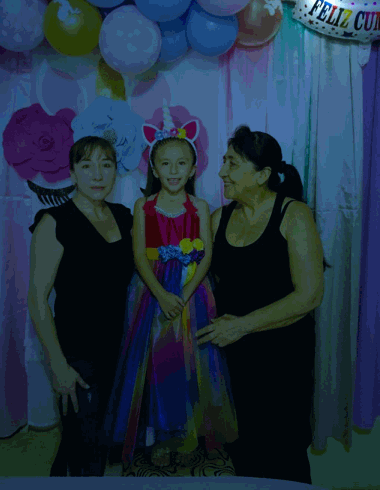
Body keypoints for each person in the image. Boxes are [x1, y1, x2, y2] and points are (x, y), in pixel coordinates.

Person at [103, 112, 238, 469]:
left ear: (193, 169)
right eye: (165, 163)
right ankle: (161, 436)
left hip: (194, 294)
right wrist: (162, 295)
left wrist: (188, 292)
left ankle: (189, 434)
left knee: (194, 364)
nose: (173, 170)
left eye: (181, 163)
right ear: (154, 169)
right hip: (153, 293)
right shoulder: (143, 206)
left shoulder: (200, 207)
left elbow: (207, 255)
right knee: (159, 364)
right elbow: (139, 256)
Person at [196, 125, 329, 484]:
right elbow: (198, 284)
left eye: (233, 163)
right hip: (233, 362)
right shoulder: (218, 219)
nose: (221, 172)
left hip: (284, 361)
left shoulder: (294, 214)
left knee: (285, 456)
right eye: (223, 161)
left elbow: (309, 295)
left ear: (262, 174)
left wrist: (241, 325)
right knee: (243, 453)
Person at [27, 136, 135, 477]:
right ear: (73, 173)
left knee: (92, 440)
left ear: (116, 171)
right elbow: (37, 299)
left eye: (106, 165)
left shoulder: (124, 216)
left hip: (118, 348)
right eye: (87, 166)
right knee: (86, 447)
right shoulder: (54, 222)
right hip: (76, 355)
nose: (97, 175)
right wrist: (58, 365)